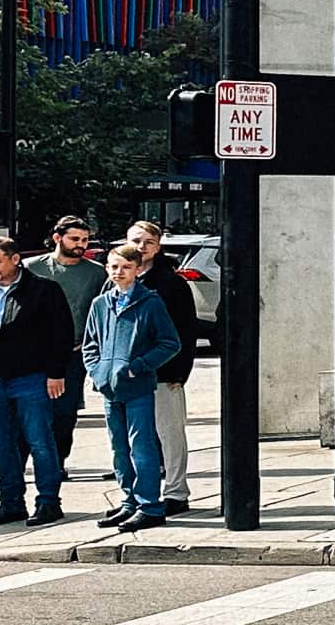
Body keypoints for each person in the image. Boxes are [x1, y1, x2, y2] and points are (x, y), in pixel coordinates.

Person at [0, 236, 70, 528]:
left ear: (15, 259)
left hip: (31, 376)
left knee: (39, 440)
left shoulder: (43, 290)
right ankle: (11, 502)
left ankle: (48, 501)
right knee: (0, 443)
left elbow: (60, 334)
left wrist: (55, 372)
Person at [80, 245, 177, 532]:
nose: (118, 273)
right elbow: (90, 344)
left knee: (141, 446)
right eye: (113, 267)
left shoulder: (150, 303)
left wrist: (138, 366)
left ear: (136, 270)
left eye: (124, 267)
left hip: (137, 386)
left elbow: (169, 343)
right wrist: (98, 372)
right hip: (110, 387)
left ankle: (149, 504)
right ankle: (129, 501)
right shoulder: (101, 304)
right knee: (118, 447)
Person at [125, 221, 196, 516]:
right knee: (135, 438)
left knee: (169, 433)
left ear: (158, 245)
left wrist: (179, 374)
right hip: (127, 376)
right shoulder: (119, 279)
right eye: (136, 241)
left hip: (164, 374)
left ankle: (176, 492)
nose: (142, 247)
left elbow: (185, 331)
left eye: (148, 242)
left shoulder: (171, 283)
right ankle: (139, 494)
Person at [23, 217, 104, 475]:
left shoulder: (96, 272)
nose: (81, 245)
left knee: (64, 412)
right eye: (75, 239)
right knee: (30, 410)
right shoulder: (31, 268)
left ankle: (57, 462)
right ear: (57, 238)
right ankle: (29, 461)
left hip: (74, 353)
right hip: (34, 354)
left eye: (85, 240)